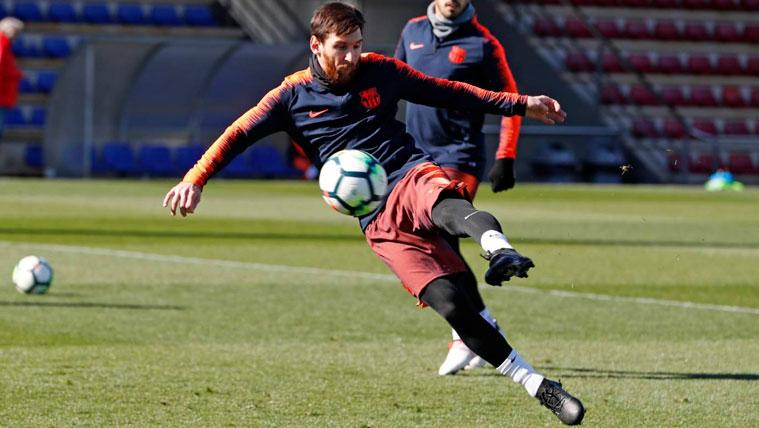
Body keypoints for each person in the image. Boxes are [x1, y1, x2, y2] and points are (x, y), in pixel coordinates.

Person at [162, 3, 583, 425]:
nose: (351, 57)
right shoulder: (290, 96)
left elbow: (450, 91)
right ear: (316, 44)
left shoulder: (380, 69)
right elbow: (238, 133)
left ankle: (499, 248)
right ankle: (538, 384)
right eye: (341, 47)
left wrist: (520, 103)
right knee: (451, 305)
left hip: (406, 170)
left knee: (446, 205)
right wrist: (194, 180)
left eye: (357, 46)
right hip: (375, 218)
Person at [395, 0, 524, 376]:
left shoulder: (484, 44)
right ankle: (481, 327)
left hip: (459, 155)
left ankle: (463, 335)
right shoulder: (412, 30)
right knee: (435, 244)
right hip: (414, 155)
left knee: (438, 235)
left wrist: (506, 155)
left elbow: (512, 100)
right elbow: (392, 84)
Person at [0, 17, 23, 138]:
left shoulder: (5, 45)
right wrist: (15, 74)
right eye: (17, 31)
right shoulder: (1, 44)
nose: (18, 35)